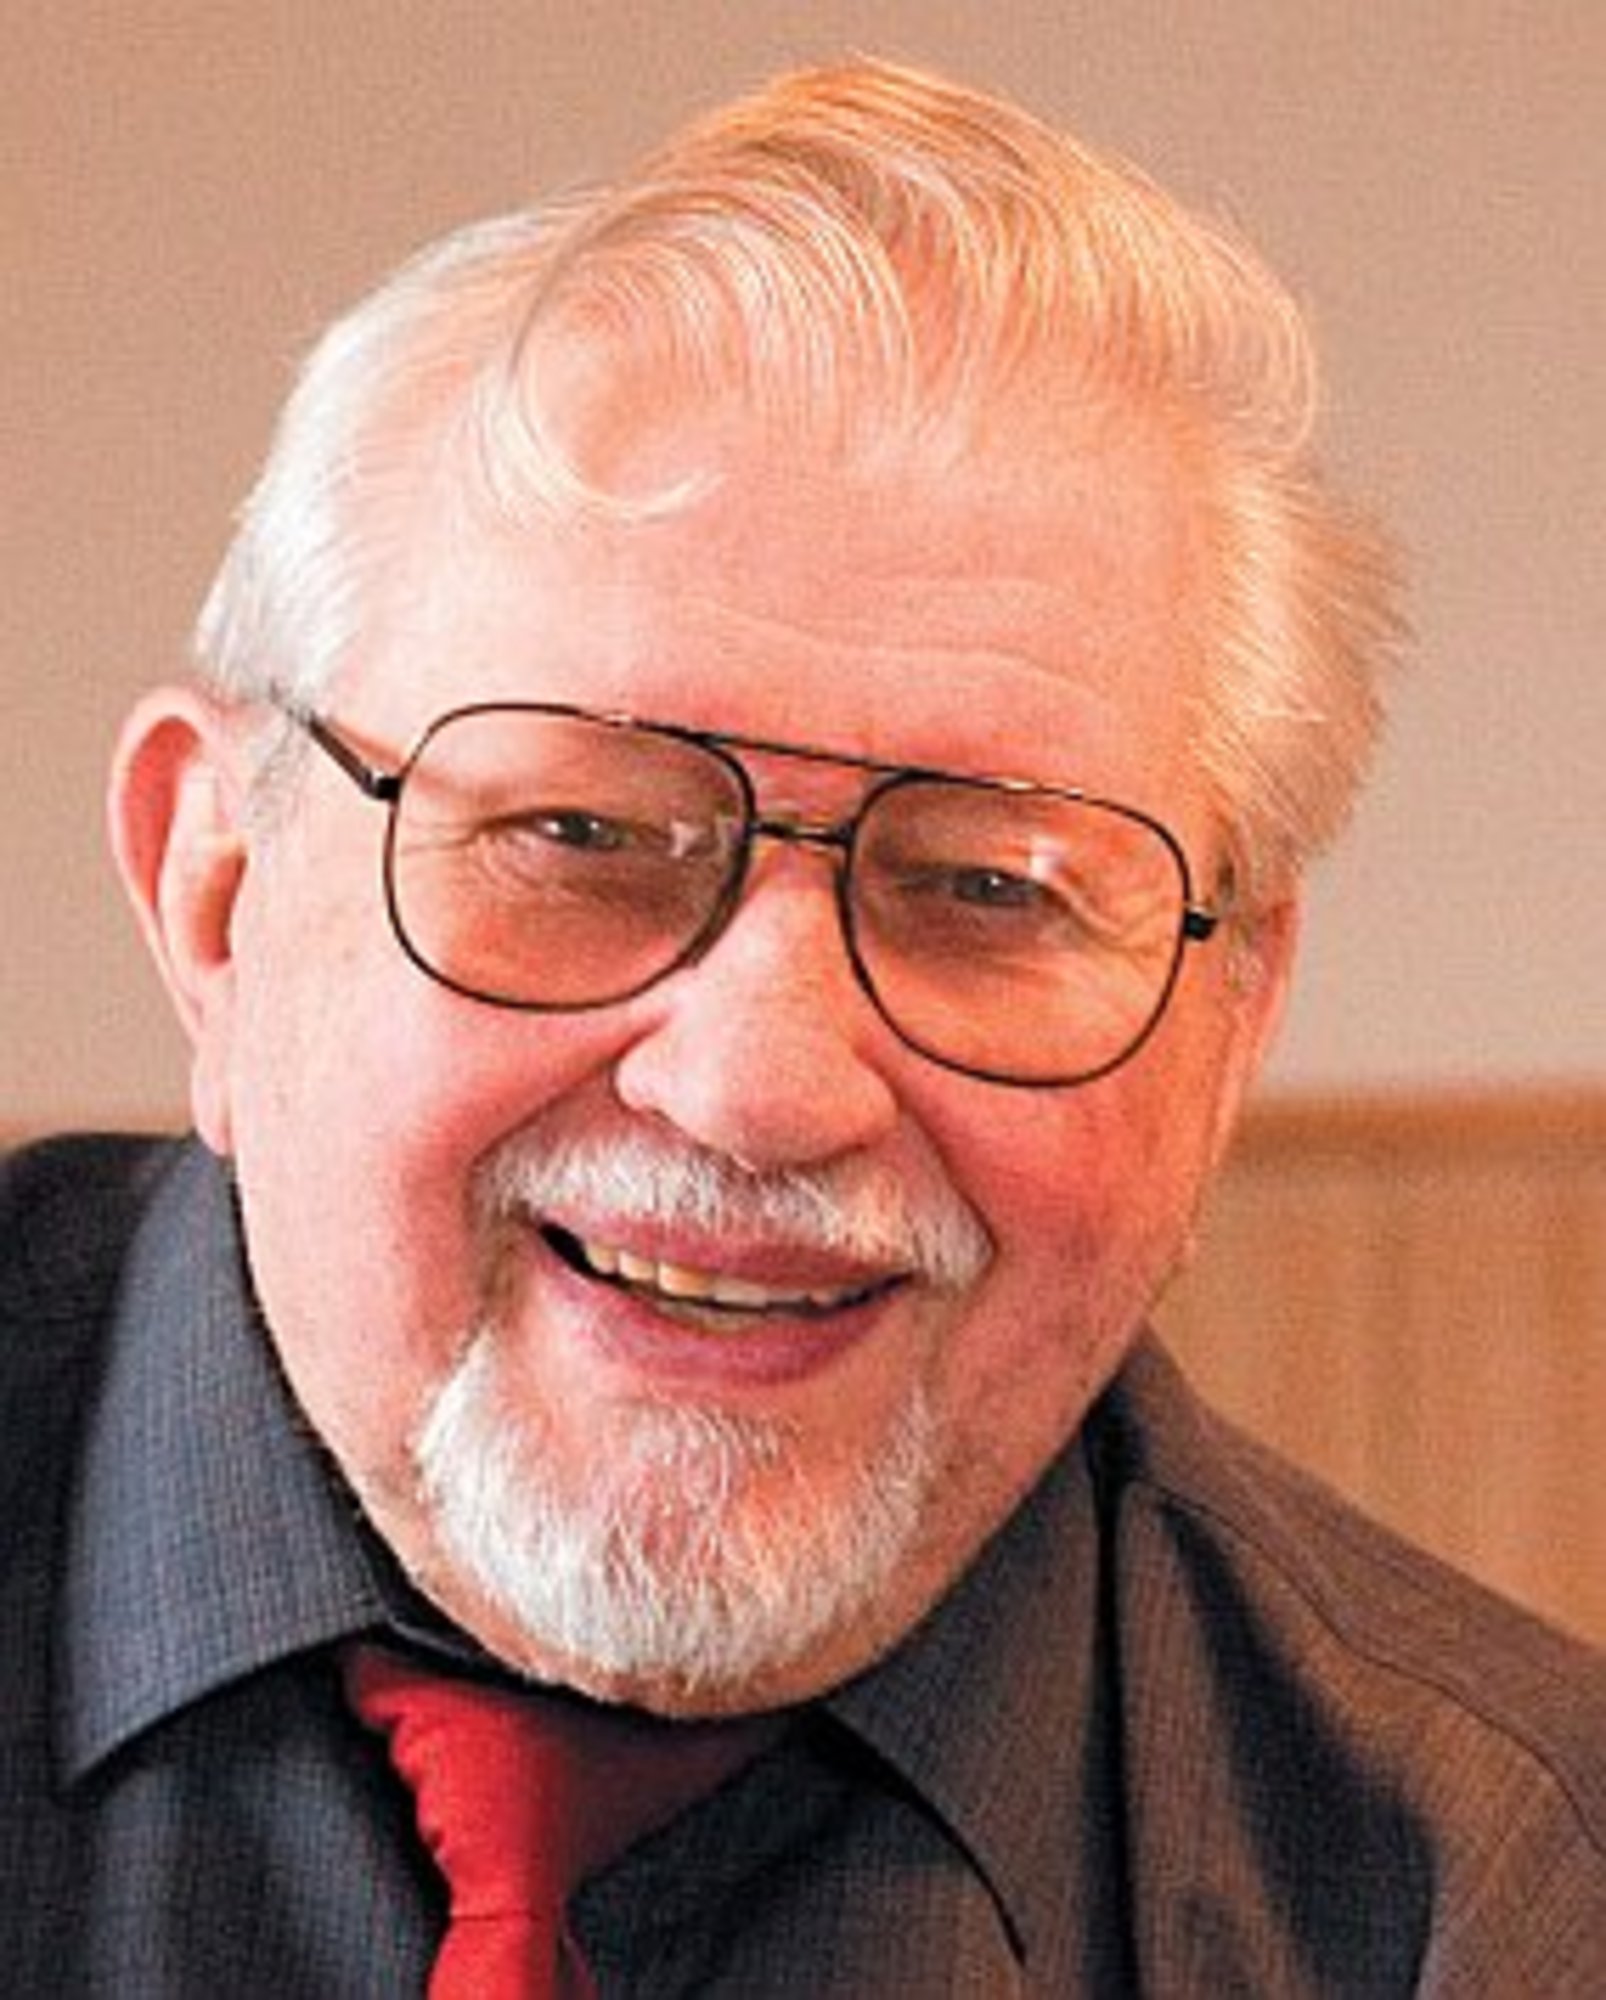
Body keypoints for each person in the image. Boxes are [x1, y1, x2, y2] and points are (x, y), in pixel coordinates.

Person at [4, 55, 1603, 1996]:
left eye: (987, 890)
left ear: (1227, 1023)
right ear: (215, 896)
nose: (756, 1086)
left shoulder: (1495, 1908)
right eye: (579, 836)